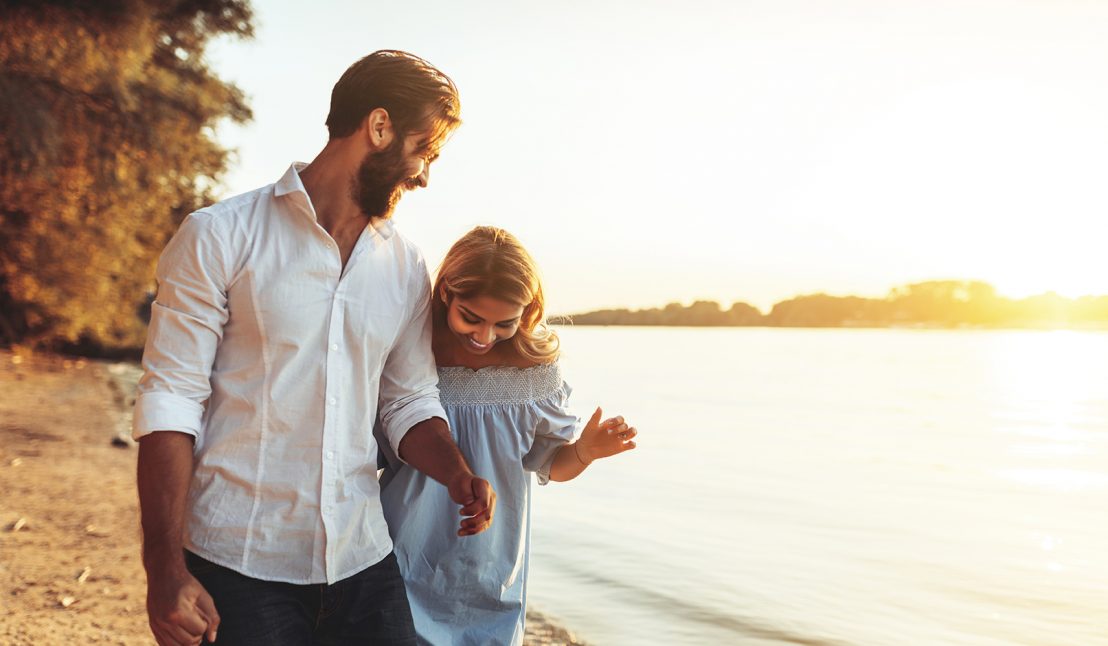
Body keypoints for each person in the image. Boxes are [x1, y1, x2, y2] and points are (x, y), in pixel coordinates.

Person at [133, 50, 496, 646]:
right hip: (238, 563)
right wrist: (164, 569)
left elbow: (407, 401)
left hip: (362, 558)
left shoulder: (405, 265)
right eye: (423, 151)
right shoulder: (219, 235)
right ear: (378, 129)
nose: (425, 175)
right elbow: (170, 403)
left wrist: (456, 472)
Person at [378, 226, 639, 645]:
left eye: (504, 323)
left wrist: (586, 451)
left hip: (491, 568)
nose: (484, 336)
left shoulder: (533, 373)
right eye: (471, 318)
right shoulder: (414, 354)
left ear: (528, 310)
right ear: (446, 293)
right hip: (402, 551)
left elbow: (552, 465)